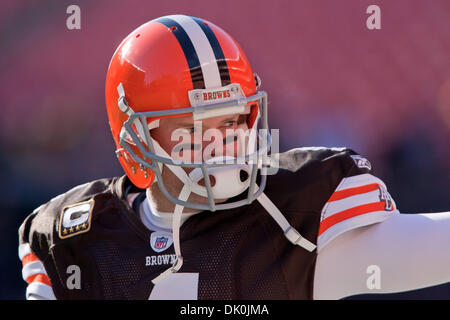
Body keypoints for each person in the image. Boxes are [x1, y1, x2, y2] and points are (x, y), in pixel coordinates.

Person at [18, 14, 450, 300]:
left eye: (231, 120)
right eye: (193, 126)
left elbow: (432, 246)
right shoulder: (74, 240)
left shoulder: (291, 218)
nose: (222, 143)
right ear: (136, 140)